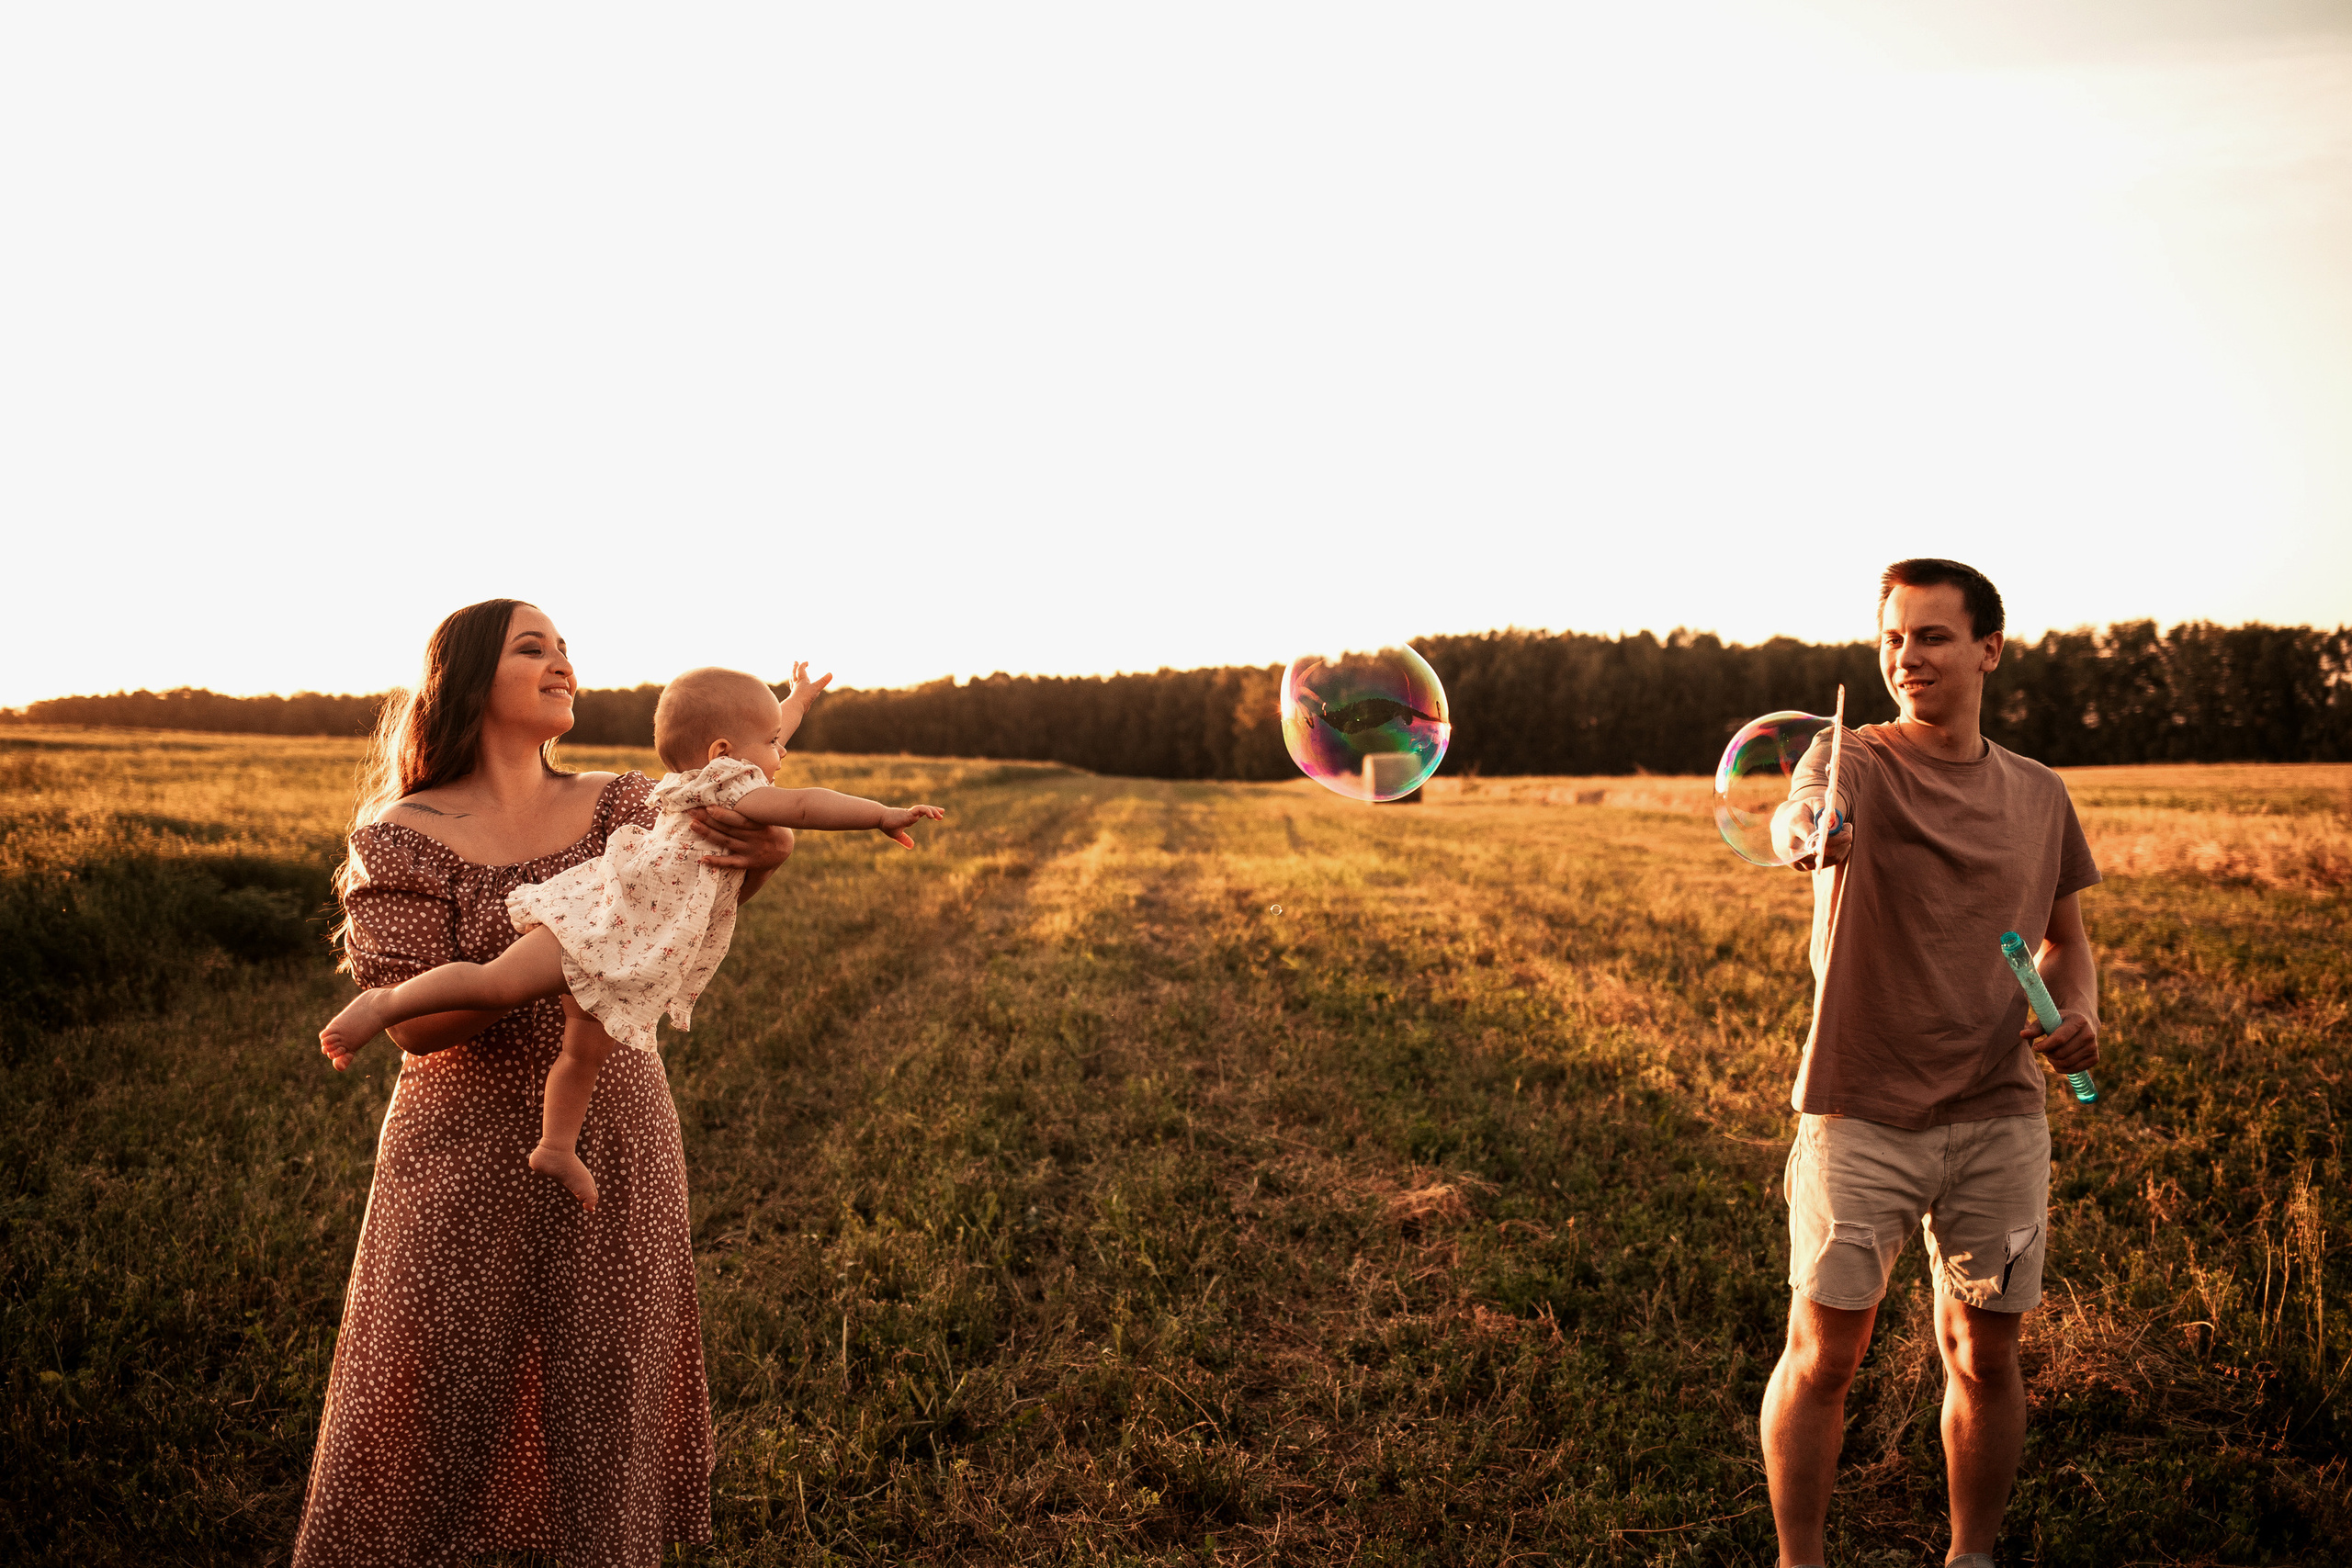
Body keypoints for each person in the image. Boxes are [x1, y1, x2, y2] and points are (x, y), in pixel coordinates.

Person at [292, 599, 797, 1568]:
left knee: (599, 1394)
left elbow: (689, 893)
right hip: (460, 1148)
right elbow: (419, 1025)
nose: (562, 662)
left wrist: (763, 855)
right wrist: (556, 955)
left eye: (566, 647)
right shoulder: (398, 834)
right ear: (469, 681)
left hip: (617, 1134)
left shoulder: (625, 801)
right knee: (434, 1396)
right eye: (535, 648)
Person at [1758, 558, 2102, 1568]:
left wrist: (2075, 1011)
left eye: (1931, 636)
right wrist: (1804, 831)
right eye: (1892, 638)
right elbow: (1801, 817)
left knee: (1985, 1356)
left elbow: (2066, 939)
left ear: (1987, 649)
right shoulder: (1850, 758)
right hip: (1858, 1106)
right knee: (1825, 1357)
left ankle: (1971, 1557)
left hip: (1998, 1111)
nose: (1905, 656)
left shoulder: (2039, 793)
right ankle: (1799, 1561)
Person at [318, 662, 943, 1210]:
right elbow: (808, 804)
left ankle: (556, 1145)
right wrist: (883, 814)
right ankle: (383, 1001)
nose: (780, 757)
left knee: (582, 1048)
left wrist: (798, 701)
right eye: (533, 647)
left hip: (619, 960)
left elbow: (756, 730)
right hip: (597, 934)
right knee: (496, 983)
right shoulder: (732, 785)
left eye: (563, 645)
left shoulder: (670, 785)